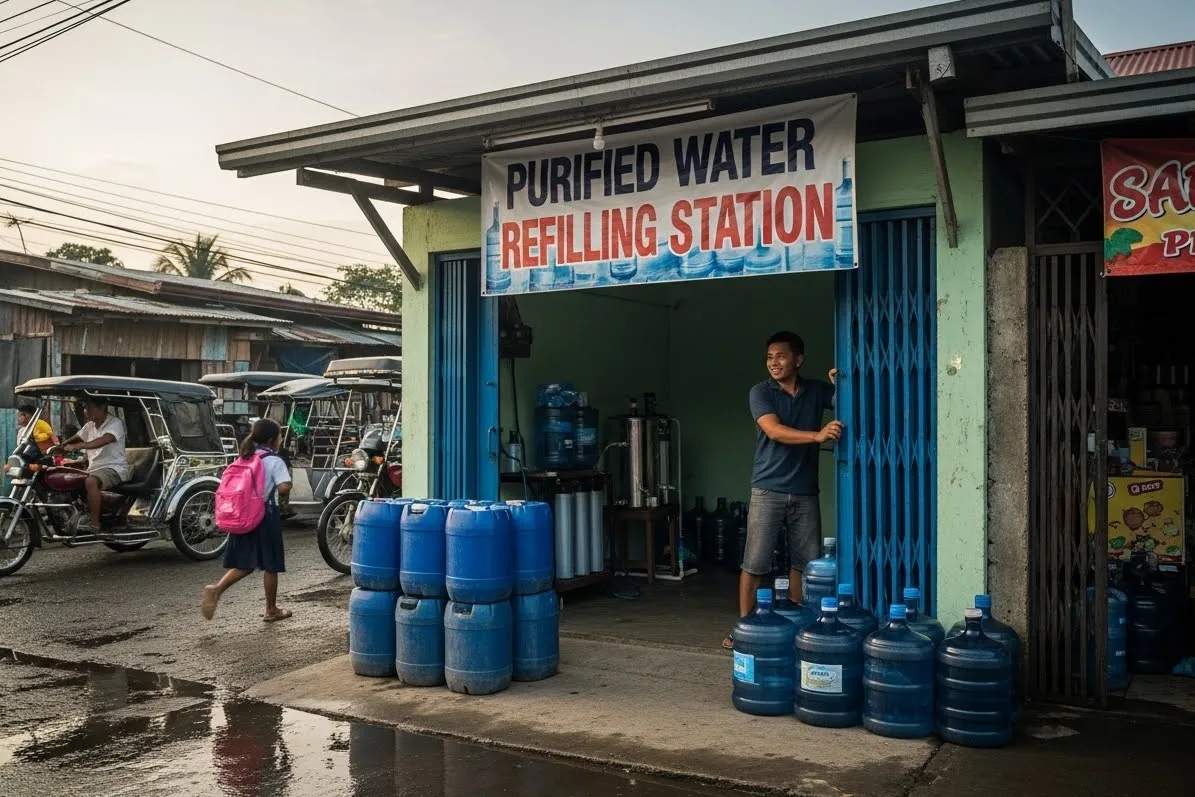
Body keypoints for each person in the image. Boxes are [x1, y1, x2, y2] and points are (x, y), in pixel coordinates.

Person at [724, 331, 841, 649]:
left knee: (805, 564)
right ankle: (743, 629)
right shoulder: (761, 392)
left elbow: (853, 403)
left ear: (798, 360)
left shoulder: (816, 390)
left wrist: (840, 383)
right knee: (755, 563)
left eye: (781, 356)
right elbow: (773, 431)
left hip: (805, 491)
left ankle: (798, 626)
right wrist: (816, 436)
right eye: (769, 357)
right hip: (767, 489)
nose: (773, 363)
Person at [202, 418, 293, 623]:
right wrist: (286, 484)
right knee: (271, 565)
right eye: (279, 436)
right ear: (272, 439)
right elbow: (284, 487)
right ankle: (271, 609)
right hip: (264, 516)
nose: (280, 439)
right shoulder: (274, 460)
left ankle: (216, 589)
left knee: (245, 563)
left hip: (243, 515)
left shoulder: (246, 456)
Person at [60, 398, 129, 532]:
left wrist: (80, 445)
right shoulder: (89, 426)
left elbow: (104, 440)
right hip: (94, 468)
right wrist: (59, 447)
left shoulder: (115, 423)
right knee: (68, 479)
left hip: (114, 468)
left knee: (91, 481)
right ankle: (77, 514)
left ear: (102, 407)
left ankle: (94, 523)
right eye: (85, 408)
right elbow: (76, 438)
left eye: (89, 407)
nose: (86, 411)